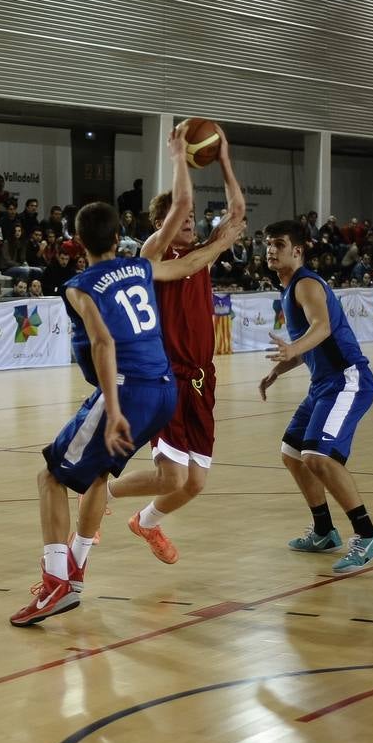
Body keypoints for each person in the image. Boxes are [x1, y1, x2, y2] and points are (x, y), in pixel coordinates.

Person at [9, 195, 240, 626]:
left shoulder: (80, 286)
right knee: (100, 474)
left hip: (128, 389)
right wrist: (222, 235)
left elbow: (102, 343)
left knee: (50, 475)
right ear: (121, 237)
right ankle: (75, 575)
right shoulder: (141, 265)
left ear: (77, 241)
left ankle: (55, 581)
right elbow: (187, 263)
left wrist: (112, 408)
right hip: (165, 387)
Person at [105, 124, 246, 564]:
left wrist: (223, 159)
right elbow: (184, 217)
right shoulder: (152, 255)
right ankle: (101, 485)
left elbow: (237, 213)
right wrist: (179, 158)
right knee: (172, 476)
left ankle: (144, 523)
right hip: (167, 378)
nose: (189, 220)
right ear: (161, 225)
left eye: (191, 219)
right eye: (181, 219)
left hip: (203, 379)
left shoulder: (201, 253)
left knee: (196, 482)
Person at [258, 219, 373, 574]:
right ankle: (323, 531)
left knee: (318, 456)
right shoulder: (288, 289)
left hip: (348, 379)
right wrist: (278, 370)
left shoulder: (307, 284)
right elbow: (309, 345)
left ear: (297, 250)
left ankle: (367, 534)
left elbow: (322, 328)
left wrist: (292, 349)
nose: (270, 249)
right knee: (292, 453)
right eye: (268, 243)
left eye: (279, 244)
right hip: (323, 384)